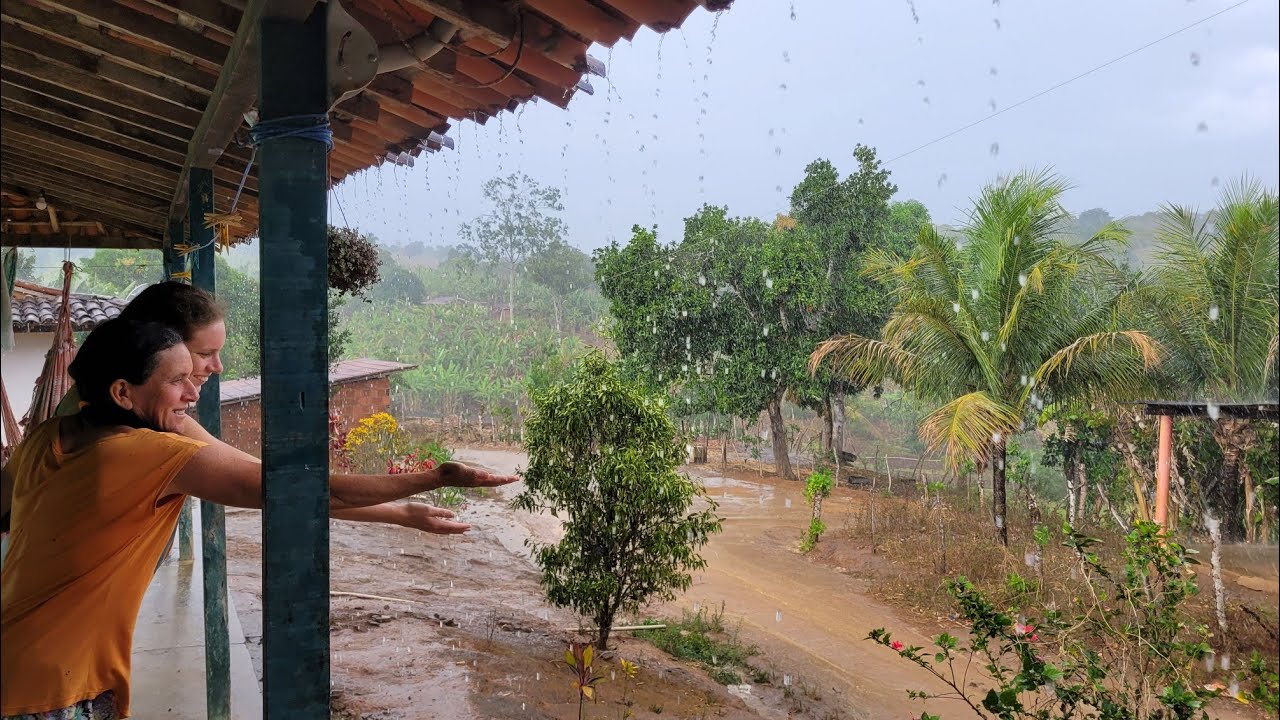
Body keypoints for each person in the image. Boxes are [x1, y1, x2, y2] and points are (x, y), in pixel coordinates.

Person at [0, 318, 517, 719]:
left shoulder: (52, 435)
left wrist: (400, 514)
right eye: (180, 379)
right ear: (122, 393)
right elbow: (293, 488)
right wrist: (432, 477)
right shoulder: (143, 455)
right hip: (51, 684)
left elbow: (261, 478)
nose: (195, 391)